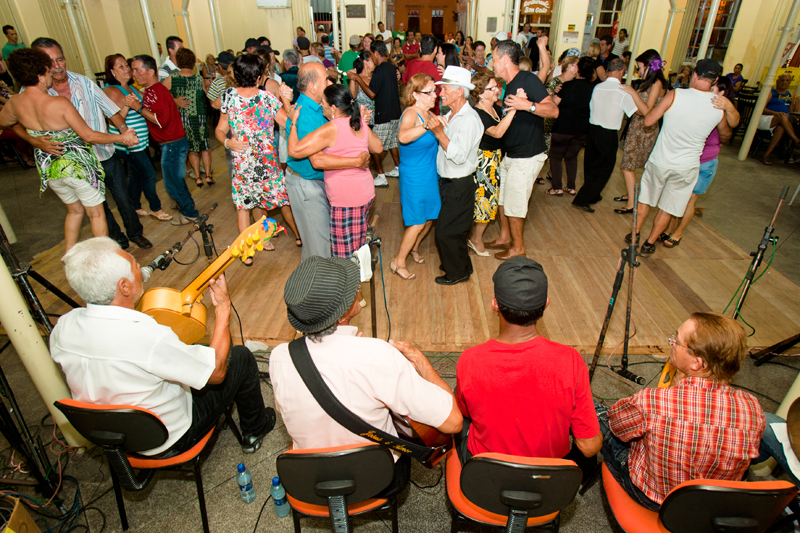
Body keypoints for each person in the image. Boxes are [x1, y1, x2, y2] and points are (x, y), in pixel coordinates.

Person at [51, 237, 276, 456]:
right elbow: (216, 373)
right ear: (125, 286)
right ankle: (255, 429)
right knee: (241, 357)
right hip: (165, 439)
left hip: (108, 435)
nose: (141, 269)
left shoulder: (63, 327)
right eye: (135, 265)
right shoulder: (145, 335)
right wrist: (223, 308)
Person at [271, 256, 463, 497]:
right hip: (378, 479)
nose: (357, 289)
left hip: (311, 480)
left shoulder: (279, 357)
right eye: (351, 289)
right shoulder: (377, 356)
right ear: (341, 316)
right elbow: (454, 421)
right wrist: (421, 362)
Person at [596, 312, 766, 510]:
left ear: (697, 363)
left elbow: (617, 427)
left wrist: (667, 394)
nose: (672, 343)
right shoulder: (753, 407)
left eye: (676, 340)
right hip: (712, 504)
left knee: (595, 411)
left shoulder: (653, 401)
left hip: (655, 499)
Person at [456, 257, 602, 476]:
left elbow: (464, 413)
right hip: (547, 480)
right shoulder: (571, 360)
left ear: (495, 305)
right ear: (546, 304)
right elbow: (589, 447)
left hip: (487, 474)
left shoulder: (470, 360)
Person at [0, 48, 137, 251]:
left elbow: (5, 123)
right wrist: (122, 137)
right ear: (39, 75)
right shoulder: (58, 104)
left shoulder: (15, 103)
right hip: (77, 167)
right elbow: (88, 135)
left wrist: (33, 140)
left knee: (74, 212)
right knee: (96, 214)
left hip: (52, 170)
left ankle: (69, 257)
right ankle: (106, 257)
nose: (50, 76)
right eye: (47, 72)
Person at [627, 59, 730, 258]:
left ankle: (635, 236)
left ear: (695, 75)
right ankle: (648, 244)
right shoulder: (718, 106)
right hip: (688, 166)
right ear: (715, 79)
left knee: (646, 201)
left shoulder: (676, 95)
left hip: (660, 160)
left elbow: (648, 121)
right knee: (668, 207)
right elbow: (725, 135)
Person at [283, 62, 371, 261]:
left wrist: (358, 119)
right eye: (325, 79)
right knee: (318, 247)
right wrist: (355, 161)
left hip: (320, 183)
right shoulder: (304, 113)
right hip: (307, 184)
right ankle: (319, 290)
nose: (330, 81)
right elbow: (317, 159)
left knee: (324, 241)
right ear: (313, 86)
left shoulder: (321, 108)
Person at [216, 54, 300, 261]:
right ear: (260, 76)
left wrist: (227, 142)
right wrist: (287, 102)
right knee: (252, 206)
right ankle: (251, 248)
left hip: (252, 165)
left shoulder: (231, 96)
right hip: (256, 164)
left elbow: (219, 130)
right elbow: (288, 123)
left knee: (245, 207)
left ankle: (246, 253)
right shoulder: (266, 98)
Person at [483, 41, 558, 260]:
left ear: (505, 59)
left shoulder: (528, 79)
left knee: (515, 204)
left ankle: (518, 249)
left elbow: (553, 110)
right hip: (511, 154)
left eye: (494, 59)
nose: (492, 63)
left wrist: (529, 106)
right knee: (503, 199)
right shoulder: (509, 84)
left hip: (527, 155)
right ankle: (506, 237)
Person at [661, 76, 739, 247]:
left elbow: (734, 123)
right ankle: (671, 226)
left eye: (712, 88)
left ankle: (678, 232)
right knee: (676, 195)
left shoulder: (720, 110)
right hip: (686, 159)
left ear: (722, 93)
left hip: (705, 161)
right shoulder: (698, 105)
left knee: (689, 199)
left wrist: (728, 106)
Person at [428, 66, 484, 285]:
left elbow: (459, 156)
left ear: (460, 92)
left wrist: (439, 133)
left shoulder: (469, 120)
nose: (441, 93)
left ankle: (457, 273)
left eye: (445, 89)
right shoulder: (452, 114)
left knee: (446, 232)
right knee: (455, 229)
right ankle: (459, 264)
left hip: (459, 183)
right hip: (449, 182)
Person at [129, 54, 200, 226]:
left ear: (151, 71)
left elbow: (162, 120)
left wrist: (138, 108)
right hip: (172, 143)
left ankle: (189, 213)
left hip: (173, 144)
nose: (134, 74)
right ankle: (186, 205)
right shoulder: (153, 90)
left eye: (137, 70)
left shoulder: (157, 92)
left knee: (172, 183)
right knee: (176, 180)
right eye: (132, 70)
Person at [103, 54, 171, 222]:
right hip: (128, 144)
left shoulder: (131, 88)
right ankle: (156, 208)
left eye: (127, 65)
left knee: (135, 174)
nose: (127, 69)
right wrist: (127, 105)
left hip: (140, 142)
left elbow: (145, 106)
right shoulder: (111, 90)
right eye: (121, 66)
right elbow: (115, 118)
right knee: (148, 173)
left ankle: (135, 205)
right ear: (112, 71)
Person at [572, 58, 637, 213]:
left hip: (592, 130)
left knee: (590, 164)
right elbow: (636, 112)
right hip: (608, 133)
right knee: (604, 168)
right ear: (622, 71)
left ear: (608, 71)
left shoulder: (598, 87)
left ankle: (593, 195)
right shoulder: (622, 91)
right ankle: (584, 198)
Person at [392, 73, 440, 280]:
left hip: (429, 173)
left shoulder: (429, 113)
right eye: (428, 92)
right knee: (418, 221)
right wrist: (426, 126)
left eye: (434, 91)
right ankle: (398, 261)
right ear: (415, 94)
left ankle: (414, 247)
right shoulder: (412, 114)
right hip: (414, 175)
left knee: (430, 216)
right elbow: (402, 137)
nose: (434, 96)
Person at [467, 72, 515, 256]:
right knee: (486, 201)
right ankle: (476, 239)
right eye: (492, 88)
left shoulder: (493, 108)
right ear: (479, 93)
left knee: (489, 200)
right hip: (485, 160)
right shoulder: (478, 112)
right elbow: (496, 133)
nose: (497, 90)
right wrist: (513, 111)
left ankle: (474, 237)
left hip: (494, 157)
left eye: (497, 86)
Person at [615, 50, 668, 214]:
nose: (638, 71)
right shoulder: (650, 82)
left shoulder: (657, 83)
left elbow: (647, 111)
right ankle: (631, 194)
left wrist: (632, 93)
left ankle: (632, 203)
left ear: (649, 66)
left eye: (639, 67)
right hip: (638, 128)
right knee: (629, 164)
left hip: (644, 130)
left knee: (627, 166)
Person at [349, 41, 401, 187]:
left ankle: (381, 175)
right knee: (392, 142)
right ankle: (398, 168)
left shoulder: (380, 70)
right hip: (394, 113)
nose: (372, 57)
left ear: (376, 53)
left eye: (372, 54)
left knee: (375, 147)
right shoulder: (391, 67)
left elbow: (372, 94)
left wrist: (357, 78)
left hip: (383, 114)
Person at [162, 48, 214, 188]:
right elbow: (207, 96)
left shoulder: (172, 78)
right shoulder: (198, 78)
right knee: (205, 147)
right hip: (200, 116)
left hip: (183, 118)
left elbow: (161, 96)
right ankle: (208, 175)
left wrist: (174, 100)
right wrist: (208, 86)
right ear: (192, 62)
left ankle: (197, 177)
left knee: (192, 148)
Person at [548, 57, 594, 197]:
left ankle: (557, 188)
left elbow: (553, 104)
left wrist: (551, 94)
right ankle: (571, 187)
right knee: (571, 156)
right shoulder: (593, 89)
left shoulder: (566, 85)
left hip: (562, 128)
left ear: (578, 70)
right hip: (582, 130)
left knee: (555, 156)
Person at [758, 72, 800, 165]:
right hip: (767, 119)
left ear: (790, 82)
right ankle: (796, 140)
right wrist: (775, 113)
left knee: (782, 127)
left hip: (782, 122)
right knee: (782, 117)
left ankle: (766, 155)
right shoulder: (770, 92)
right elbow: (761, 109)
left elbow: (790, 111)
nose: (784, 82)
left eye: (787, 80)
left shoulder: (790, 95)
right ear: (777, 81)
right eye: (782, 80)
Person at [401, 34, 441, 115]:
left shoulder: (411, 65)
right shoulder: (439, 71)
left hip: (413, 112)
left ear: (420, 49)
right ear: (435, 49)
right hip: (431, 115)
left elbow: (405, 84)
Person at [349, 51, 375, 129]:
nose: (375, 62)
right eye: (372, 60)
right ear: (365, 62)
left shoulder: (376, 77)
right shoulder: (357, 77)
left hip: (377, 120)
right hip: (362, 119)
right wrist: (353, 77)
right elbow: (352, 95)